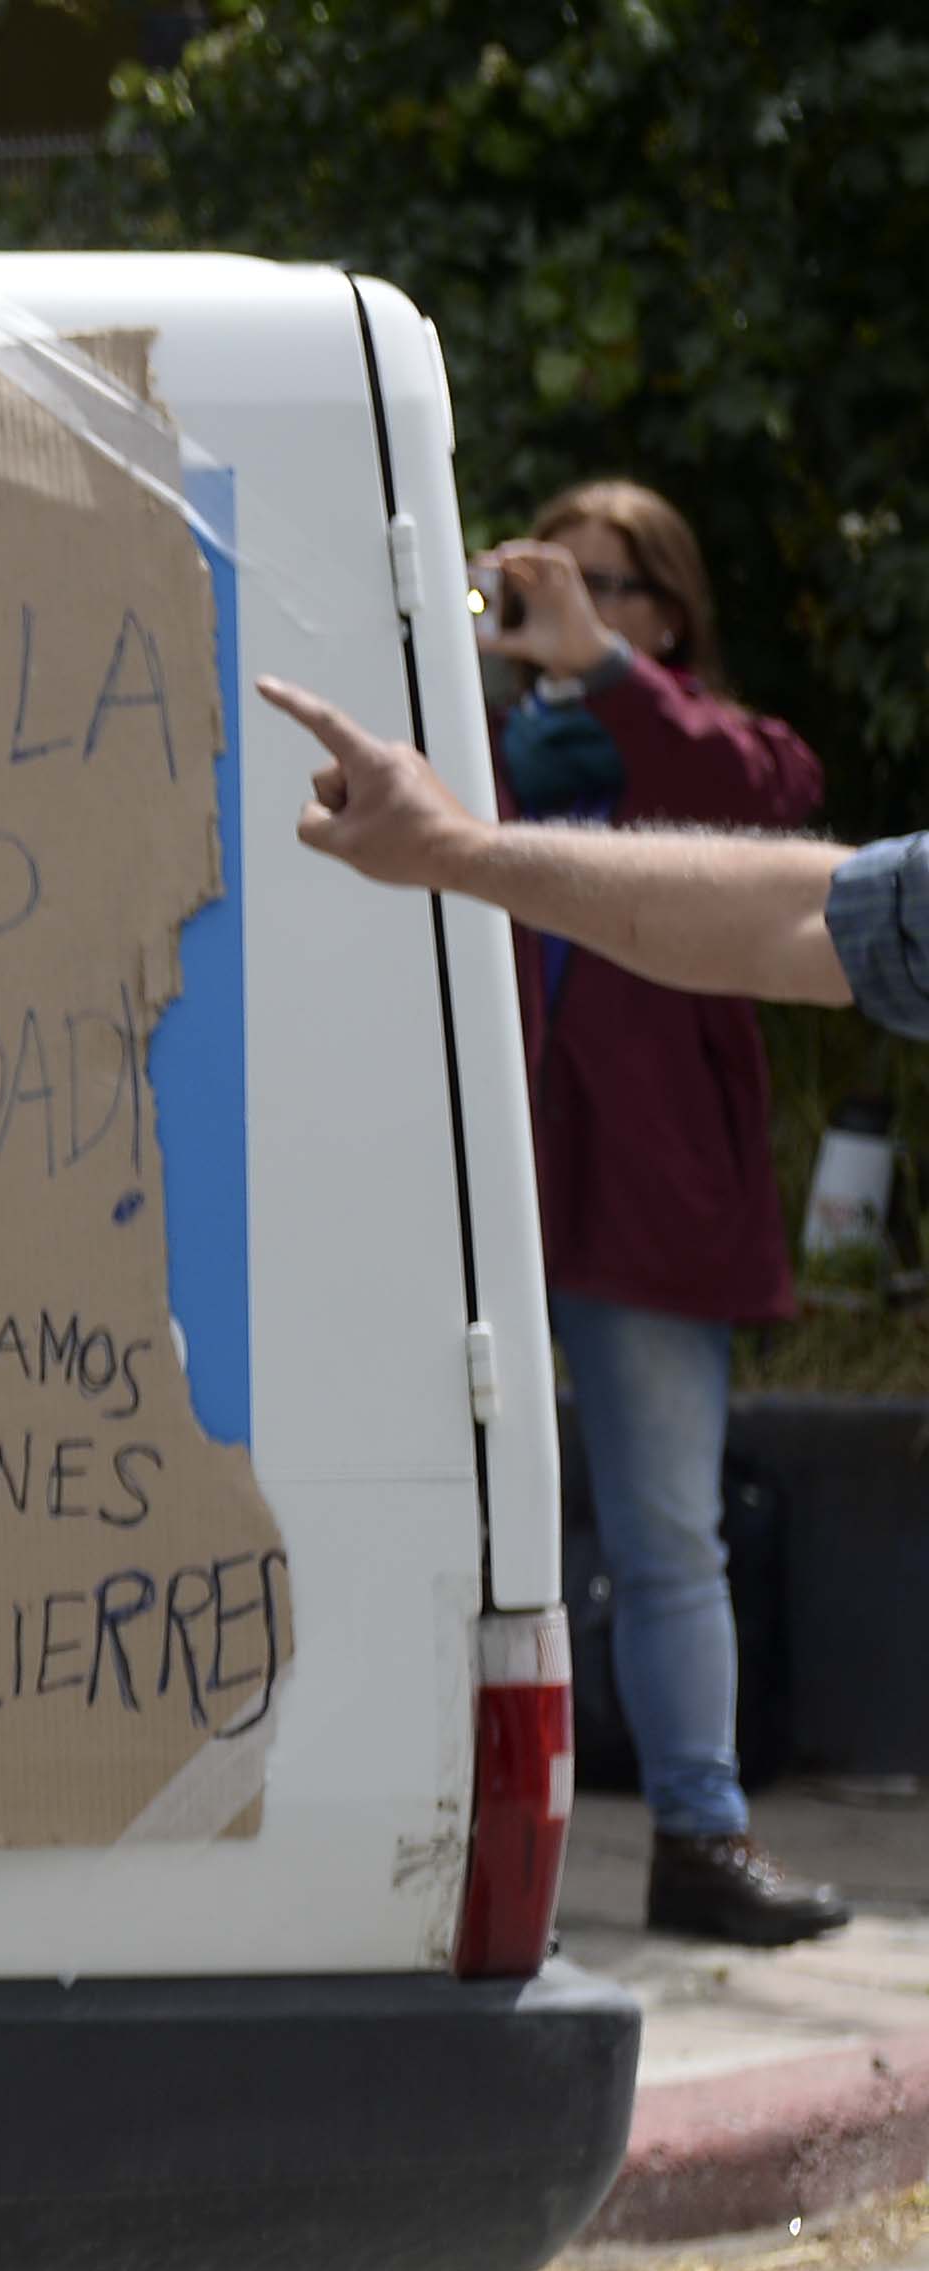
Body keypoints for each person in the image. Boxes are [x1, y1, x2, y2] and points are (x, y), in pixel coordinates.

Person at [443, 486, 843, 1943]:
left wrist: (609, 674)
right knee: (450, 1523)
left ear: (667, 616)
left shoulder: (710, 744)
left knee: (670, 1530)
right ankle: (453, 1856)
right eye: (546, 576)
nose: (568, 602)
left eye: (606, 583)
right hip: (482, 1183)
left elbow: (770, 807)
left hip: (646, 1198)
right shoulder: (466, 741)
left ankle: (702, 1840)